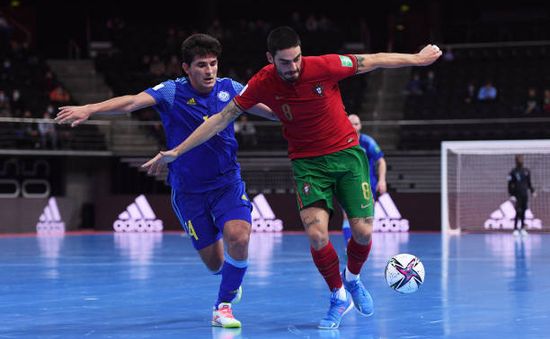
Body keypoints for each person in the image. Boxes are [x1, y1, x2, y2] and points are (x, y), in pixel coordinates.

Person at [141, 26, 441, 329]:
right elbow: (220, 119)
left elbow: (371, 60)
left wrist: (417, 59)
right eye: (285, 62)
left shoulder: (324, 65)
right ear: (271, 59)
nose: (293, 67)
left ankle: (353, 280)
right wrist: (177, 151)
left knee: (362, 232)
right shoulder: (262, 81)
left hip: (347, 155)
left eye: (297, 59)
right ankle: (338, 296)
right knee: (316, 235)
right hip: (307, 163)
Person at [55, 33, 277, 328]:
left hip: (227, 183)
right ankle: (230, 279)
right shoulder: (172, 92)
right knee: (215, 264)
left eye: (213, 64)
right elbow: (132, 102)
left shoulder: (231, 89)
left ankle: (222, 306)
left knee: (239, 237)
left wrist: (304, 114)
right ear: (186, 67)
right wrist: (89, 109)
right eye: (201, 65)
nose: (209, 70)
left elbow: (272, 111)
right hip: (188, 191)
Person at [341, 114, 386, 244]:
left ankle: (361, 246)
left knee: (367, 219)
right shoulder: (340, 143)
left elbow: (381, 161)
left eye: (356, 124)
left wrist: (382, 180)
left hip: (367, 186)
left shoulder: (368, 142)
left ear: (360, 125)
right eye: (351, 124)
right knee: (347, 215)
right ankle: (348, 244)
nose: (354, 126)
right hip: (347, 184)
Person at [508, 155, 536, 237]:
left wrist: (532, 191)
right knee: (518, 211)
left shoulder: (526, 171)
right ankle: (516, 229)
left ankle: (523, 228)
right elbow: (510, 185)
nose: (520, 161)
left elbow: (529, 183)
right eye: (518, 159)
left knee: (524, 211)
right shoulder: (513, 172)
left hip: (524, 195)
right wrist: (511, 195)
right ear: (516, 161)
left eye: (521, 159)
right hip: (517, 195)